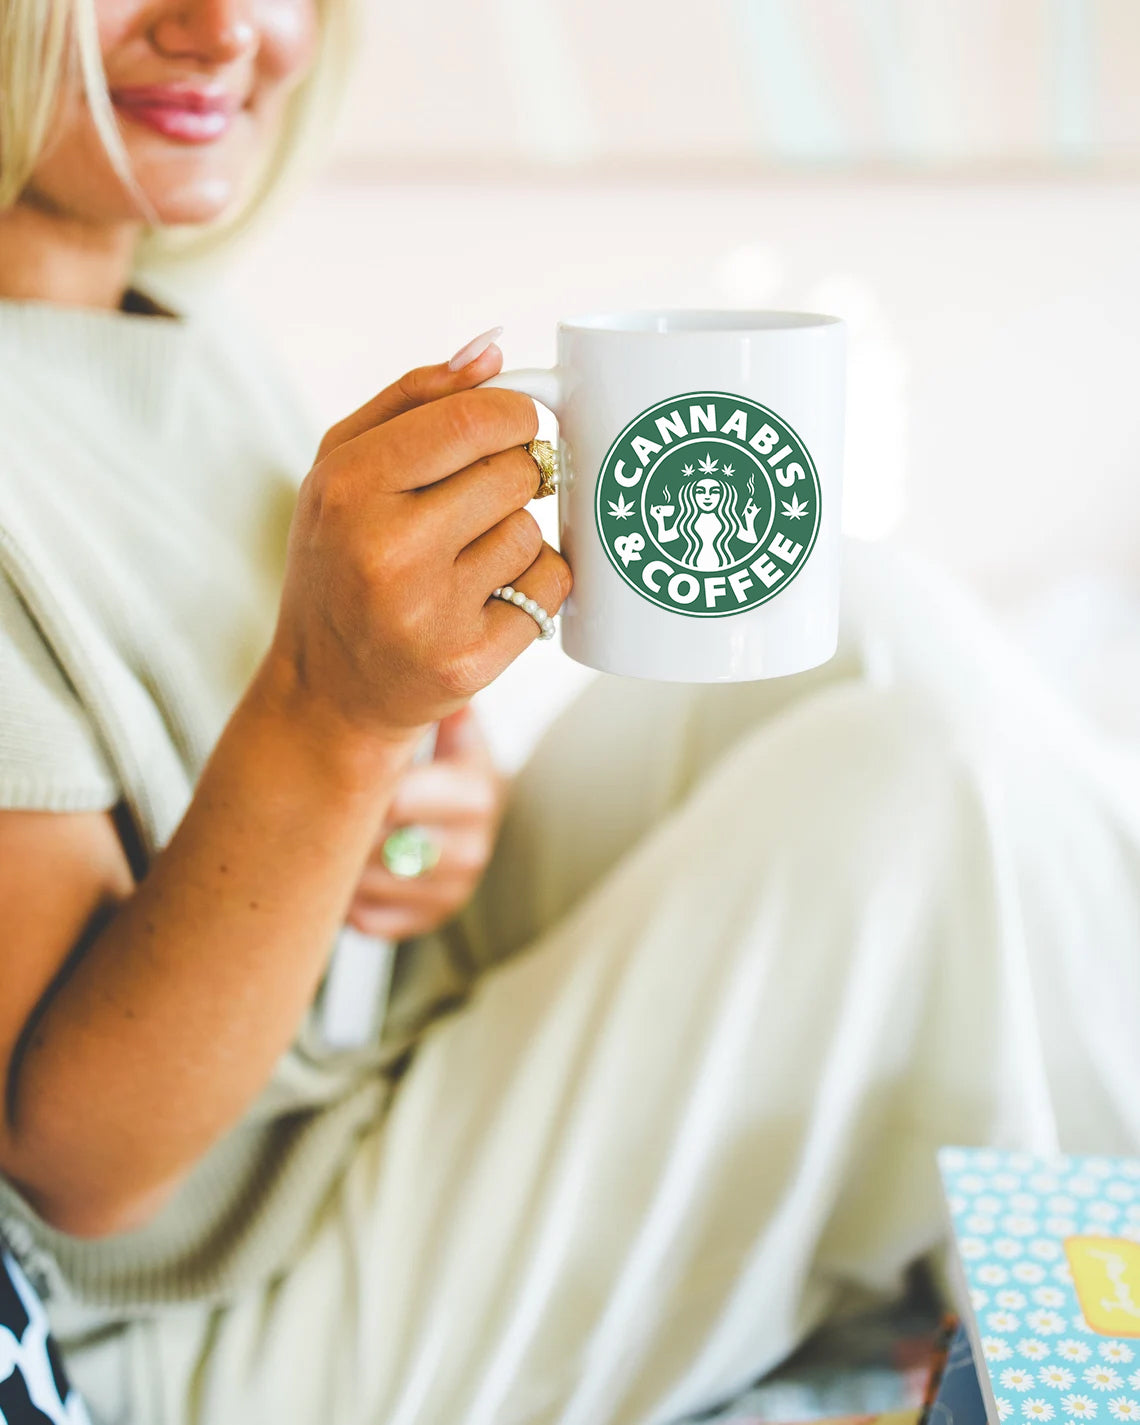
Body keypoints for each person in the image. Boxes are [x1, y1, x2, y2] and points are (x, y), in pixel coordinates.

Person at [0, 2, 1138, 1423]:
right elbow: (83, 1165)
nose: (225, 25)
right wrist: (335, 723)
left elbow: (295, 813)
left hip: (375, 1056)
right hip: (223, 1305)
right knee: (912, 791)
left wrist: (417, 820)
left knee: (865, 621)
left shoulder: (172, 323)